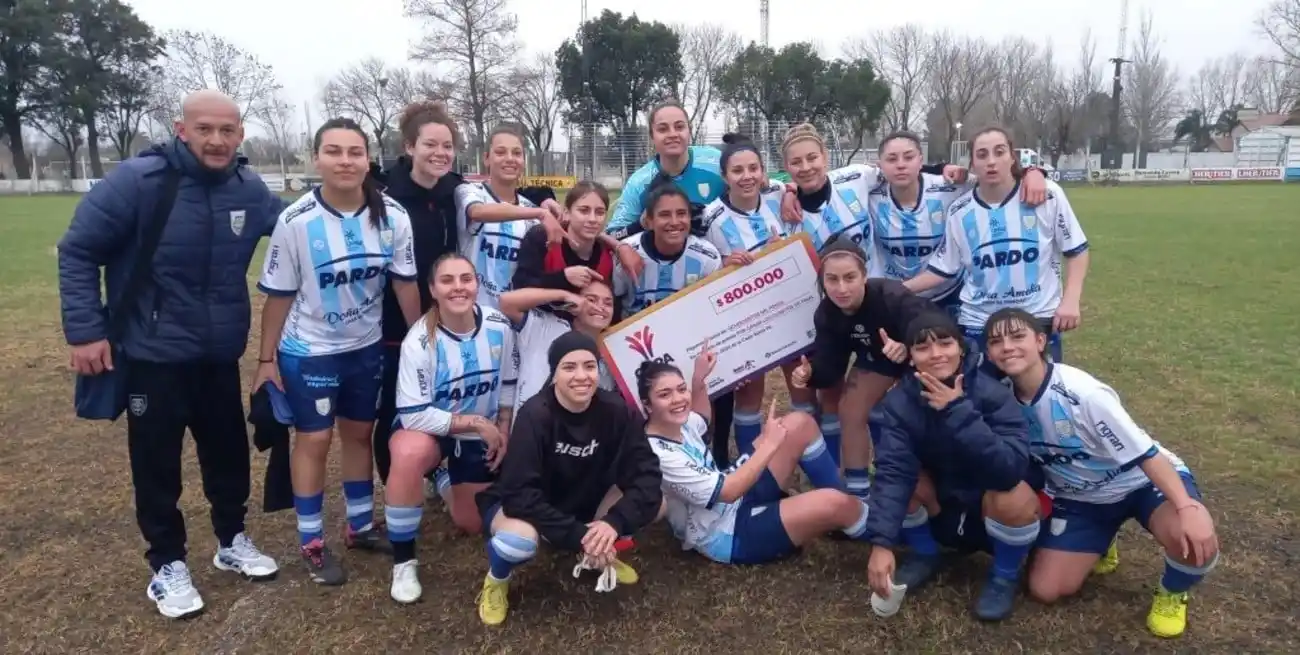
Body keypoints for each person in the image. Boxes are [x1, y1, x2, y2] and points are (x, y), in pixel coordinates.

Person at [57, 90, 281, 619]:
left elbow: (301, 224)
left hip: (218, 354)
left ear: (240, 135)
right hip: (151, 355)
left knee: (228, 453)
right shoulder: (137, 181)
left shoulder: (249, 189)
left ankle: (231, 539)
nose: (217, 140)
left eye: (227, 131)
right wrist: (86, 332)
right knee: (156, 463)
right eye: (205, 129)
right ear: (181, 129)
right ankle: (166, 564)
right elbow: (78, 250)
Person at [254, 118, 422, 585]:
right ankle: (310, 540)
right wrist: (266, 360)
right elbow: (280, 297)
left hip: (365, 347)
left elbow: (404, 283)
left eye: (354, 152)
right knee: (313, 439)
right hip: (310, 351)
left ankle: (360, 525)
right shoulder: (295, 221)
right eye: (334, 151)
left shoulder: (393, 216)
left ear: (368, 159)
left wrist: (421, 340)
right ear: (317, 159)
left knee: (359, 432)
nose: (345, 161)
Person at [983, 308, 1219, 638]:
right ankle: (1103, 539)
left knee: (1192, 540)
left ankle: (1172, 593)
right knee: (1044, 590)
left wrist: (1186, 507)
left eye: (1017, 336)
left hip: (1139, 482)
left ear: (1040, 341)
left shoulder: (1084, 393)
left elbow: (1147, 455)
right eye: (996, 341)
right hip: (1080, 497)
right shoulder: (999, 399)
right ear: (989, 353)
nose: (1007, 346)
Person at [474, 331, 664, 625]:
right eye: (569, 367)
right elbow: (519, 494)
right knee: (517, 542)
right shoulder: (535, 415)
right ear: (554, 374)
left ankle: (596, 551)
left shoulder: (617, 411)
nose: (581, 376)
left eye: (589, 366)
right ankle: (497, 579)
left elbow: (647, 474)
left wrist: (613, 522)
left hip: (584, 504)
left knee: (656, 501)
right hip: (527, 511)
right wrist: (578, 536)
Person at [865, 312, 1043, 622]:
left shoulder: (993, 394)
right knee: (902, 478)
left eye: (945, 343)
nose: (935, 355)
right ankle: (925, 553)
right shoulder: (899, 403)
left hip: (989, 512)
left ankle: (1003, 575)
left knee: (1015, 494)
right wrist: (881, 544)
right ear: (910, 357)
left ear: (961, 348)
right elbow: (893, 471)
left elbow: (1009, 469)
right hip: (941, 508)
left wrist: (957, 409)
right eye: (922, 348)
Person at [643, 346, 870, 566]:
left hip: (731, 491)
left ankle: (850, 516)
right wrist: (769, 445)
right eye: (665, 394)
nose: (678, 399)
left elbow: (702, 416)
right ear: (647, 406)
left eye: (681, 390)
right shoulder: (658, 454)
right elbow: (729, 492)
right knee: (833, 503)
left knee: (799, 424)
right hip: (726, 532)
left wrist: (699, 380)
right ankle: (886, 534)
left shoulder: (675, 423)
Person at [383, 253, 517, 603]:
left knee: (472, 524)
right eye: (447, 280)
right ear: (432, 289)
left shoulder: (498, 326)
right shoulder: (420, 341)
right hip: (430, 428)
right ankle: (404, 560)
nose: (459, 287)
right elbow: (413, 414)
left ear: (476, 283)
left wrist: (503, 427)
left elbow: (508, 382)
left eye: (466, 278)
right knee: (409, 452)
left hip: (479, 434)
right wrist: (473, 422)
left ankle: (441, 479)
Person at [905, 126, 1090, 361]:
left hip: (1036, 316)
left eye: (999, 152)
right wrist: (898, 289)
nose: (991, 162)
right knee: (981, 396)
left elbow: (1076, 250)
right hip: (978, 322)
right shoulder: (959, 211)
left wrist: (1071, 301)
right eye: (982, 155)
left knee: (1036, 395)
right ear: (972, 163)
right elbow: (944, 268)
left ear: (1012, 157)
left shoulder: (1047, 195)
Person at [790, 239, 940, 501]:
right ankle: (859, 494)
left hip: (922, 360)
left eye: (850, 278)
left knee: (906, 416)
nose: (841, 288)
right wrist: (810, 373)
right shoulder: (827, 313)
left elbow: (935, 334)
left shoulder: (893, 297)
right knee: (850, 408)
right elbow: (831, 365)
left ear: (865, 276)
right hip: (877, 359)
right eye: (832, 280)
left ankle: (922, 480)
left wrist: (908, 349)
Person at [700, 133, 815, 467]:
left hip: (792, 309)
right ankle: (750, 467)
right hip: (746, 318)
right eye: (737, 170)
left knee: (802, 387)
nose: (747, 176)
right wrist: (724, 265)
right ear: (725, 177)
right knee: (749, 394)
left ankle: (806, 460)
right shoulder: (710, 218)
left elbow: (795, 185)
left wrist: (791, 190)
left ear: (764, 172)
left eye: (754, 168)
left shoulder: (780, 195)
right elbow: (705, 271)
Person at [373, 101, 464, 486]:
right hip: (399, 321)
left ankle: (436, 471)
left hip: (448, 315)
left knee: (442, 394)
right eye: (430, 145)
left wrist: (544, 201)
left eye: (447, 146)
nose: (440, 153)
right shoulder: (385, 194)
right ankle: (396, 482)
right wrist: (415, 330)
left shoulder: (454, 188)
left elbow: (502, 195)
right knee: (398, 403)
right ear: (410, 147)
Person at [867, 131, 1048, 319]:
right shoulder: (869, 194)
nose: (901, 165)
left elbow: (995, 178)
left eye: (909, 157)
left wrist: (1033, 172)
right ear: (880, 165)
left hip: (948, 294)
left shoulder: (950, 185)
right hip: (895, 297)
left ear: (921, 161)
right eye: (892, 159)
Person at [604, 100, 799, 239]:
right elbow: (613, 235)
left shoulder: (714, 160)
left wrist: (790, 192)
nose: (672, 134)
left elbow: (760, 181)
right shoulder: (640, 183)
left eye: (679, 127)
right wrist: (643, 223)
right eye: (663, 129)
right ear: (651, 136)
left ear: (689, 130)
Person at [455, 124, 566, 309]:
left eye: (516, 153)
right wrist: (540, 212)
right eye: (500, 152)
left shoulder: (530, 210)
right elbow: (478, 212)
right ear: (486, 159)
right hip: (473, 314)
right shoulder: (468, 191)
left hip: (513, 317)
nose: (509, 159)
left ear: (524, 160)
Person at [497, 281, 618, 420]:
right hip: (531, 430)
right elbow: (506, 302)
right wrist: (564, 295)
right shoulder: (546, 327)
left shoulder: (611, 356)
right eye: (591, 300)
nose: (600, 307)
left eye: (608, 303)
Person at [511, 180, 641, 308]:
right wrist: (563, 277)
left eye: (600, 212)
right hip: (541, 322)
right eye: (584, 210)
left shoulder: (607, 253)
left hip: (584, 326)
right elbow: (520, 286)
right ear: (567, 213)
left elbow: (614, 305)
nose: (592, 219)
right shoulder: (543, 237)